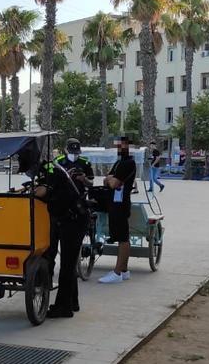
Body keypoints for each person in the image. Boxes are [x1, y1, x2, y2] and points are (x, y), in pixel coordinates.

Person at [41, 138, 93, 317]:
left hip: (75, 218)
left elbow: (50, 192)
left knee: (67, 265)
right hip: (69, 218)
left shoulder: (58, 171)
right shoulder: (57, 166)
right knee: (68, 264)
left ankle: (64, 307)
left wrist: (83, 179)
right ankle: (73, 302)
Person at [98, 136, 137, 284]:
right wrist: (109, 178)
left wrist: (109, 178)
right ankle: (125, 270)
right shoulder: (119, 162)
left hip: (121, 205)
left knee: (122, 238)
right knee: (120, 236)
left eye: (123, 146)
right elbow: (106, 179)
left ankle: (117, 272)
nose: (120, 149)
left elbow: (113, 182)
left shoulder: (128, 163)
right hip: (114, 204)